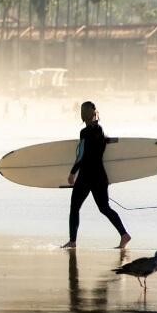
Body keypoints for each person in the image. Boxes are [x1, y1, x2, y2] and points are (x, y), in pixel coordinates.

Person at [61, 101, 132, 249]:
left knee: (74, 208)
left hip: (86, 176)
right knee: (104, 208)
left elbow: (81, 155)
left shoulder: (85, 132)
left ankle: (72, 241)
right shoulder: (100, 131)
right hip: (100, 176)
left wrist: (72, 173)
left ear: (83, 114)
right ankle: (124, 235)